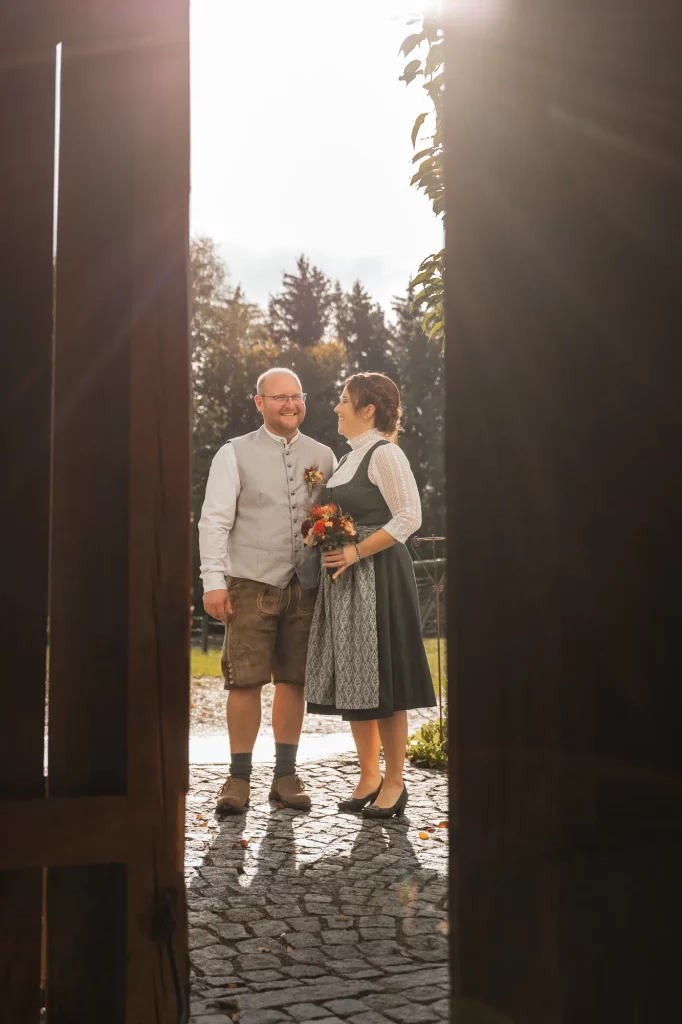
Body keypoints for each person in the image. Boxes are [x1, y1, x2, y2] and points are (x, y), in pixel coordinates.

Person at [199, 368, 336, 814]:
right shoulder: (233, 453)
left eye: (296, 396)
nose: (290, 405)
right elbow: (214, 521)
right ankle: (238, 779)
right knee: (244, 681)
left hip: (306, 585)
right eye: (279, 398)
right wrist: (213, 582)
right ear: (259, 403)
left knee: (293, 681)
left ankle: (285, 776)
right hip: (249, 583)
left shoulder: (323, 455)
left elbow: (331, 517)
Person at [305, 372, 437, 818]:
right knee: (357, 679)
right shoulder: (346, 460)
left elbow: (408, 518)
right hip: (347, 581)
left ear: (369, 410)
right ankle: (368, 776)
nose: (337, 408)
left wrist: (357, 550)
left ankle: (395, 782)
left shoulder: (386, 454)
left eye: (345, 400)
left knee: (385, 679)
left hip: (378, 575)